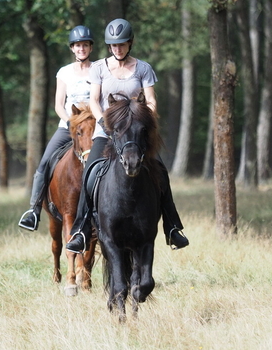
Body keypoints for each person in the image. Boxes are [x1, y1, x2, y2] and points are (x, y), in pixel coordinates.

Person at [66, 18, 189, 253]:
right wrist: (105, 122)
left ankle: (172, 227)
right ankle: (81, 230)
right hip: (107, 132)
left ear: (130, 43)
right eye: (113, 46)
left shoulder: (143, 68)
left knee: (160, 172)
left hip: (135, 133)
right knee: (89, 174)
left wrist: (144, 119)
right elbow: (94, 99)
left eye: (121, 45)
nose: (117, 49)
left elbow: (151, 100)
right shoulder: (99, 68)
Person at [19, 25, 95, 231]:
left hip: (93, 128)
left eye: (85, 45)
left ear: (90, 47)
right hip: (68, 127)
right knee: (44, 163)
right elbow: (58, 105)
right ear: (72, 48)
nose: (82, 49)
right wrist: (70, 122)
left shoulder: (99, 70)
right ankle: (33, 210)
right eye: (78, 45)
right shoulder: (64, 73)